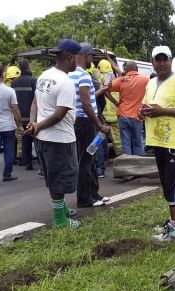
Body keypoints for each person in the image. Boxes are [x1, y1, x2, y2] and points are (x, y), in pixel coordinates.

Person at [141, 46, 175, 242]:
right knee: (166, 183)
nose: (162, 63)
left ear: (171, 61)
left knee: (174, 184)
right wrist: (144, 112)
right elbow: (147, 105)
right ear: (152, 62)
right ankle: (174, 221)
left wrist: (162, 111)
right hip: (158, 142)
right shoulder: (151, 83)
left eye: (165, 59)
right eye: (158, 60)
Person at [25, 38, 81, 227]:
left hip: (43, 138)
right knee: (61, 177)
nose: (78, 62)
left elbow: (35, 102)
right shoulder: (65, 81)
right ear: (69, 57)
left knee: (54, 175)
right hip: (59, 138)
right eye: (76, 58)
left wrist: (34, 123)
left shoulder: (44, 75)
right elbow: (59, 114)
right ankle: (60, 221)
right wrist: (38, 126)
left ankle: (62, 210)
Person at [68, 42, 111, 208]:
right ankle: (85, 198)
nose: (92, 59)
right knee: (86, 159)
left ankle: (94, 193)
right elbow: (86, 104)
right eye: (91, 56)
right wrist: (99, 124)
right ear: (85, 56)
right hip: (85, 121)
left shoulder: (70, 74)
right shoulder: (84, 75)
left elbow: (86, 98)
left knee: (90, 157)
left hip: (79, 120)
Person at [109, 60, 149, 155]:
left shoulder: (121, 80)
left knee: (125, 143)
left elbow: (105, 88)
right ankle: (138, 166)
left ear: (126, 70)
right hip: (137, 116)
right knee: (138, 142)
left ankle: (127, 165)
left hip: (123, 115)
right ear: (137, 69)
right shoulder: (146, 80)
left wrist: (115, 102)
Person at [11, 59, 37, 170]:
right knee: (36, 137)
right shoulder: (32, 81)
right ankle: (40, 161)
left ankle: (27, 163)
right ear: (28, 66)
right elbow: (37, 99)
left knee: (24, 138)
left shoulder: (14, 82)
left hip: (19, 116)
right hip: (31, 115)